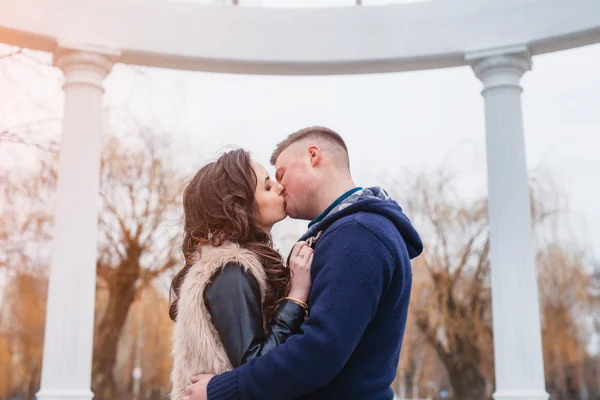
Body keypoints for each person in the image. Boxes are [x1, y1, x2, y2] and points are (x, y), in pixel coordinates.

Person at [183, 126, 423, 400]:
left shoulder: (356, 235)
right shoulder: (347, 232)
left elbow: (319, 350)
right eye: (270, 183)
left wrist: (220, 389)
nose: (281, 187)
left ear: (312, 156)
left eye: (281, 175)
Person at [169, 149, 315, 400]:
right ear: (239, 207)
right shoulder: (230, 270)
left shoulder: (237, 266)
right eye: (267, 187)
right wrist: (297, 297)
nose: (280, 188)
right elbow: (255, 367)